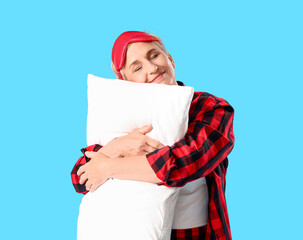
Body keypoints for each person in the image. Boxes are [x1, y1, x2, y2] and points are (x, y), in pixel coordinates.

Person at [71, 31, 235, 240]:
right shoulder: (124, 117)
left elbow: (187, 163)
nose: (152, 68)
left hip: (197, 233)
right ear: (126, 81)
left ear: (171, 59)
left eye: (154, 56)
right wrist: (118, 147)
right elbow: (80, 177)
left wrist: (107, 167)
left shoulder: (210, 107)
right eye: (137, 67)